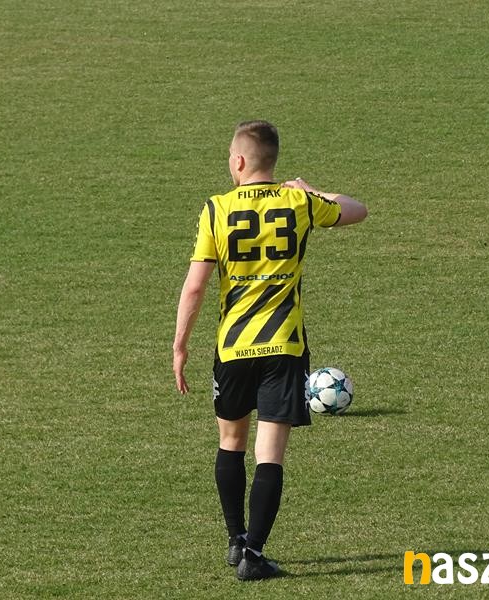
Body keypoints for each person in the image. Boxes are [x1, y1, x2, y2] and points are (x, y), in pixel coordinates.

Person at [172, 120, 367, 580]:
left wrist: (180, 346)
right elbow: (358, 210)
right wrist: (312, 190)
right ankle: (254, 554)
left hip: (233, 347)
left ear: (239, 160)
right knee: (270, 455)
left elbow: (195, 287)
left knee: (230, 442)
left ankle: (235, 539)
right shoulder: (298, 202)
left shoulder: (216, 209)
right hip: (284, 348)